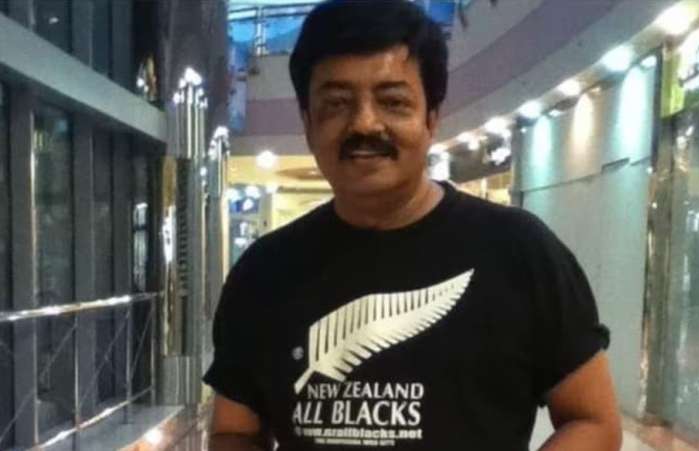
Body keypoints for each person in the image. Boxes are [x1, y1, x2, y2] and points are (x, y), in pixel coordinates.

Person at [205, 1, 622, 450]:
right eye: (337, 103)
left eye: (392, 102)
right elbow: (234, 430)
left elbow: (592, 420)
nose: (365, 123)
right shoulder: (265, 272)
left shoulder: (519, 252)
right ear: (307, 122)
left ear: (431, 118)